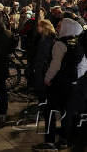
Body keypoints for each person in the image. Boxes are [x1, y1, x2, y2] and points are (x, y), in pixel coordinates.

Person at [34, 18, 85, 151]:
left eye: (60, 26)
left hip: (58, 82)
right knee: (66, 113)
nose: (58, 28)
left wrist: (47, 78)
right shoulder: (78, 43)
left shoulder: (60, 44)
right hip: (72, 83)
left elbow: (55, 65)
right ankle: (64, 140)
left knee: (49, 111)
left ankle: (50, 141)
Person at [33, 19, 56, 101]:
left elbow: (43, 55)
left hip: (43, 68)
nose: (37, 28)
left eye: (39, 26)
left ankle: (43, 108)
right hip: (44, 67)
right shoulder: (48, 38)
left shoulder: (46, 40)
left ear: (44, 27)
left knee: (42, 90)